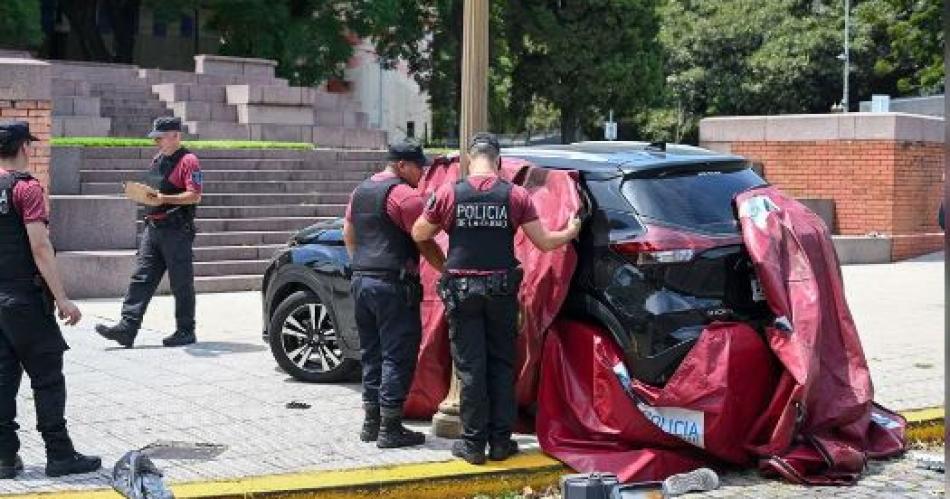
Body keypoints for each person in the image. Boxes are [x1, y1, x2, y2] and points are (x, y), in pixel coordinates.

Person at [412, 132, 581, 465]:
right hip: (501, 292)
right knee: (502, 365)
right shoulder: (515, 195)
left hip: (462, 294)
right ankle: (501, 442)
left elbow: (419, 233)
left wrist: (443, 265)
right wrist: (571, 231)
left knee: (470, 369)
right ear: (499, 162)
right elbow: (545, 243)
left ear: (470, 160)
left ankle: (473, 445)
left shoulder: (449, 193)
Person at [0, 120, 101, 478]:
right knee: (47, 377)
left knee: (2, 378)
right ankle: (59, 455)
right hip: (25, 301)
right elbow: (40, 246)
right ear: (24, 148)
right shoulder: (26, 189)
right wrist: (62, 298)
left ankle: (4, 458)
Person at [343, 140, 445, 448]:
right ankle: (390, 428)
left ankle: (370, 423)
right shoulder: (403, 196)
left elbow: (349, 232)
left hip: (362, 282)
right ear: (401, 165)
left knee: (371, 354)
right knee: (396, 357)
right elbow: (424, 240)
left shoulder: (360, 191)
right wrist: (446, 269)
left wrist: (360, 265)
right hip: (393, 286)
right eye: (419, 167)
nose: (422, 173)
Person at [96, 117, 202, 348]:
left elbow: (195, 195)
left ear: (175, 135)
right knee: (141, 278)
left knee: (181, 283)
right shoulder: (157, 159)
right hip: (153, 228)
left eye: (160, 137)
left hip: (176, 230)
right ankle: (127, 328)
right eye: (155, 137)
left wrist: (165, 198)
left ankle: (186, 330)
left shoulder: (189, 161)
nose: (156, 141)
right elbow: (153, 192)